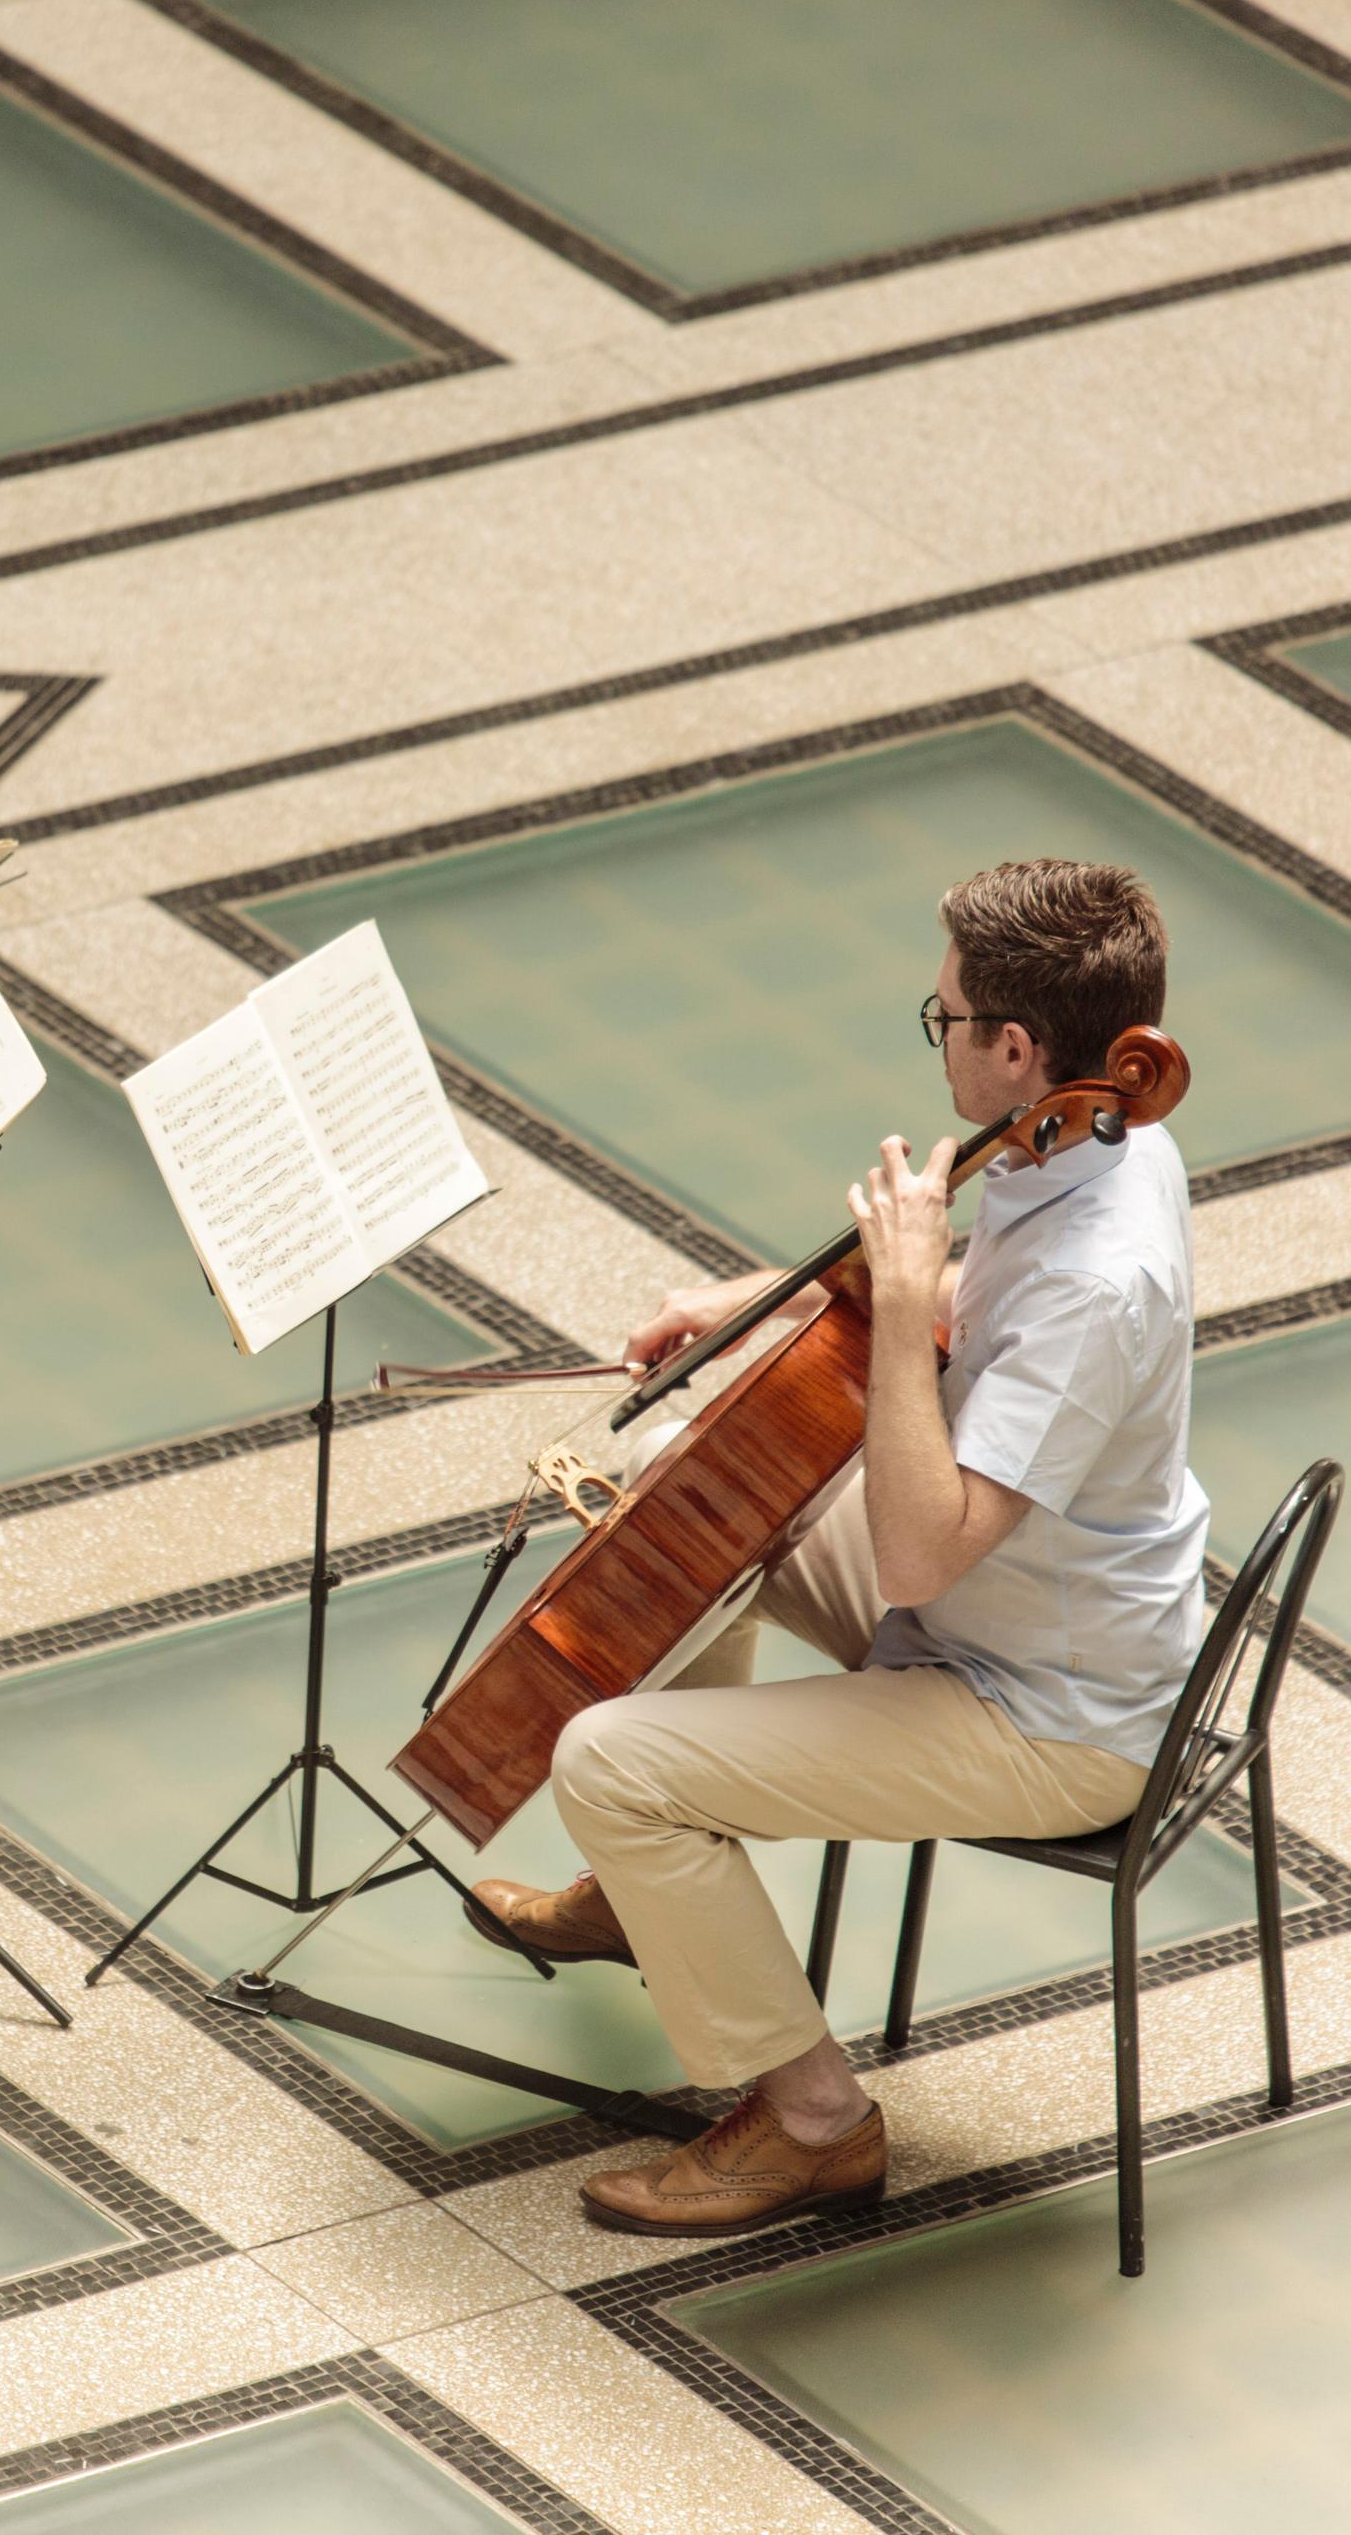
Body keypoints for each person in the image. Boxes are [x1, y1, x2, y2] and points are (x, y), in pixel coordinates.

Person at [471, 859, 1206, 2236]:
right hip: (1016, 1605)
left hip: (1043, 1705)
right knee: (686, 1472)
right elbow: (961, 1319)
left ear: (1016, 1047)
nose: (935, 1036)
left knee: (606, 1762)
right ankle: (656, 1895)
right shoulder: (1098, 1134)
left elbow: (923, 1555)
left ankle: (811, 2123)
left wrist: (912, 1287)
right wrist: (750, 1301)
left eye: (945, 1020)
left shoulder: (1103, 1280)